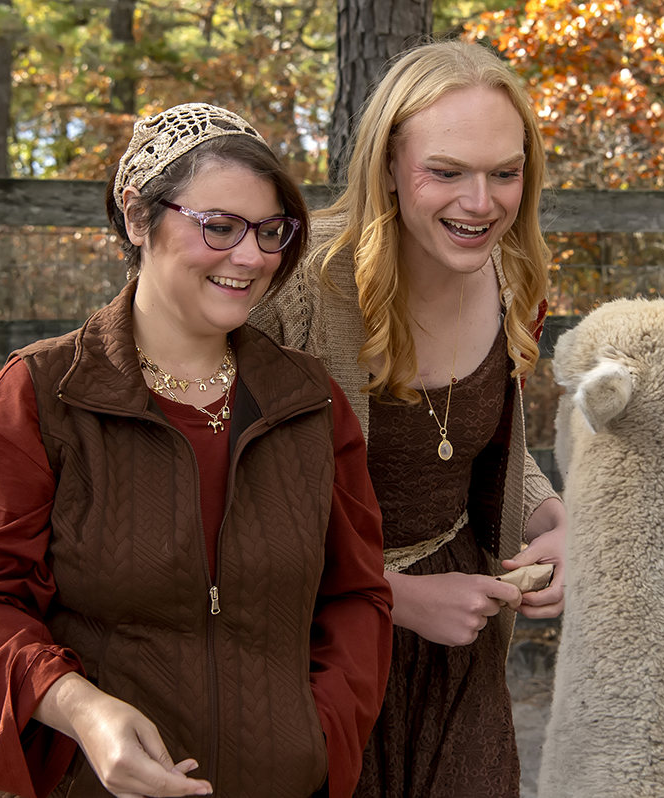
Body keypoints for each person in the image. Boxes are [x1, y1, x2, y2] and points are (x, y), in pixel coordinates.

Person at [0, 103, 394, 798]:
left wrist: (318, 738)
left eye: (270, 232)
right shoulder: (37, 396)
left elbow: (357, 597)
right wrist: (81, 709)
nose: (251, 258)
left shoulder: (310, 402)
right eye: (220, 227)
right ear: (138, 217)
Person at [250, 41, 567, 797]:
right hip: (308, 649)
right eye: (447, 172)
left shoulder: (512, 278)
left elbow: (475, 449)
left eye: (505, 172)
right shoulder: (297, 289)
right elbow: (218, 503)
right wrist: (390, 596)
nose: (481, 203)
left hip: (459, 645)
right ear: (388, 166)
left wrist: (557, 518)